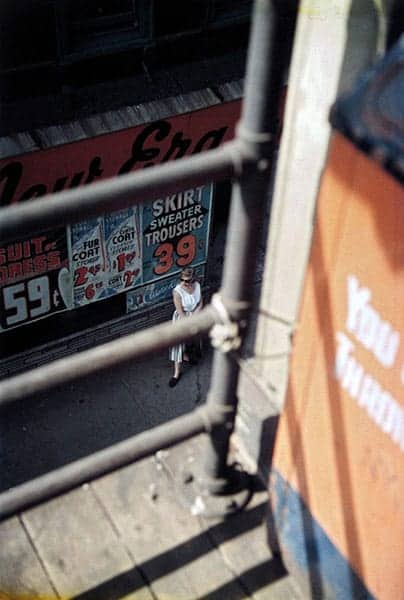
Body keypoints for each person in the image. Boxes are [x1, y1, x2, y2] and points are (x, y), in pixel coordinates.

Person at [168, 267, 203, 387]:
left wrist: (196, 315)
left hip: (195, 315)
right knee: (178, 345)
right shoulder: (177, 292)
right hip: (182, 318)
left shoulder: (197, 286)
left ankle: (186, 356)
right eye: (182, 279)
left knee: (191, 340)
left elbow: (200, 302)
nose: (184, 282)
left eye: (187, 280)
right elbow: (180, 311)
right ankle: (176, 374)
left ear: (193, 280)